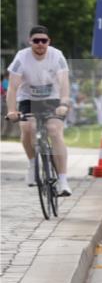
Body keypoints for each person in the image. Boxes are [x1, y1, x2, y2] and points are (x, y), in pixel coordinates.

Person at [4, 26, 73, 196]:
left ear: (49, 42)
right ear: (30, 42)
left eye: (44, 40)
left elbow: (64, 83)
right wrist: (12, 110)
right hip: (28, 98)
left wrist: (64, 103)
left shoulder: (57, 56)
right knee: (28, 128)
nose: (40, 44)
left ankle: (63, 181)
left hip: (52, 98)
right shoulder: (22, 57)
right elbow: (12, 88)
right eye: (36, 40)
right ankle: (33, 163)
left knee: (54, 131)